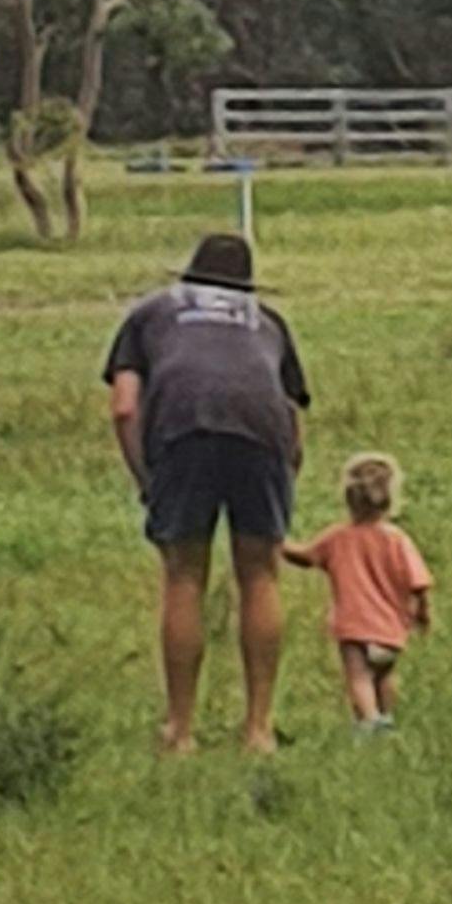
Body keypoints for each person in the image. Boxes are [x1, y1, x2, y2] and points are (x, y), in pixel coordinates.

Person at [105, 232, 307, 756]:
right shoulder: (268, 320)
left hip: (183, 432)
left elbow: (125, 406)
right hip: (261, 437)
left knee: (185, 573)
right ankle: (259, 730)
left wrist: (147, 479)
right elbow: (291, 416)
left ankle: (180, 730)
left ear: (189, 274)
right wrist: (284, 482)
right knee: (260, 573)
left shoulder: (151, 313)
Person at [283, 453, 433, 733]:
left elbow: (304, 556)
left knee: (359, 676)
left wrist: (276, 541)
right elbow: (419, 582)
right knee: (385, 674)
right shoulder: (397, 539)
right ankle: (385, 717)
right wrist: (423, 613)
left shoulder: (338, 537)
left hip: (353, 625)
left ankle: (368, 721)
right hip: (390, 626)